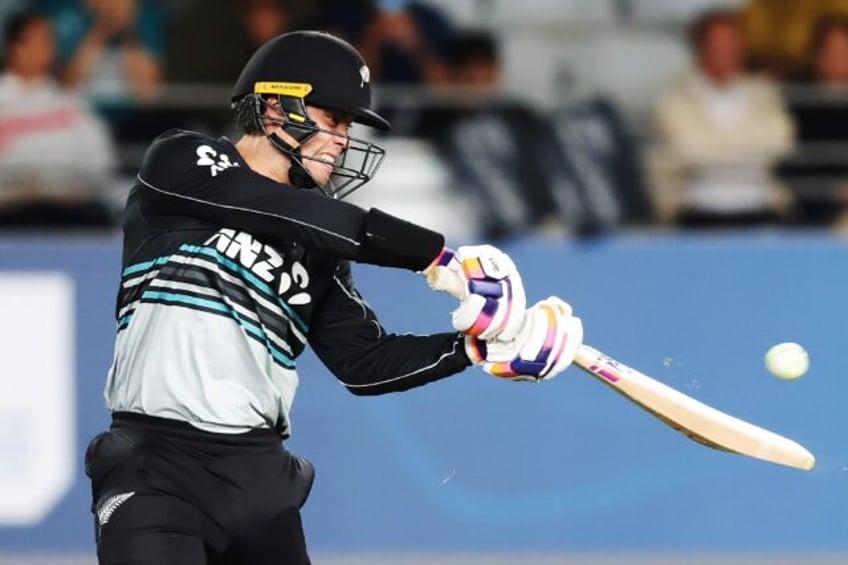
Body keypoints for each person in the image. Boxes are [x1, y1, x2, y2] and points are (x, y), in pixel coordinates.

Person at [83, 30, 584, 564]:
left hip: (259, 480)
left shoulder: (321, 247)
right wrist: (440, 258)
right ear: (275, 107)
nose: (344, 139)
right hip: (154, 468)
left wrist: (474, 348)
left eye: (348, 126)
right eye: (335, 119)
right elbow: (285, 210)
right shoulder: (182, 162)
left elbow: (364, 363)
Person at [652, 9, 796, 228]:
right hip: (699, 207)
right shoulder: (677, 97)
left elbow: (780, 140)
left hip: (760, 204)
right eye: (719, 43)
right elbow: (689, 148)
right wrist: (750, 146)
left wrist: (716, 146)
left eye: (733, 42)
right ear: (701, 48)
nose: (728, 50)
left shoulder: (763, 91)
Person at [0, 10, 117, 228]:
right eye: (40, 40)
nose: (49, 48)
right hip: (11, 211)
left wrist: (69, 188)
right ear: (15, 48)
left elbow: (100, 161)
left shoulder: (69, 102)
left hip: (68, 209)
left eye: (50, 40)